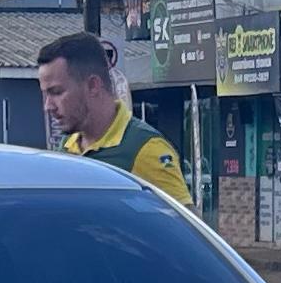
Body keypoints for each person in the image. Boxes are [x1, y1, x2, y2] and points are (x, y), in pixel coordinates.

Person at [36, 34, 188, 206]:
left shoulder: (145, 149)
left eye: (56, 92)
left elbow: (189, 227)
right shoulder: (66, 147)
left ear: (93, 85)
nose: (48, 106)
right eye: (45, 94)